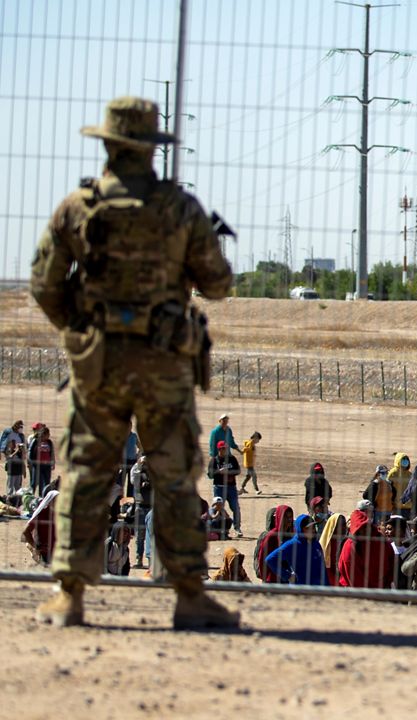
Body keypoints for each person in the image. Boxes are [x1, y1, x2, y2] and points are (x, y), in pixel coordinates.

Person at [29, 97, 239, 628]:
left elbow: (44, 284)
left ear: (107, 144)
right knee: (173, 476)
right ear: (152, 149)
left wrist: (81, 329)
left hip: (98, 362)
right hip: (164, 363)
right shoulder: (180, 208)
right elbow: (217, 283)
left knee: (86, 472)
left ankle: (70, 594)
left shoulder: (78, 207)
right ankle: (189, 593)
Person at [338, 505, 394, 589]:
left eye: (366, 527)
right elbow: (353, 578)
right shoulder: (349, 546)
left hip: (382, 589)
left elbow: (391, 560)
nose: (364, 531)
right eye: (360, 528)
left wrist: (387, 582)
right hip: (357, 592)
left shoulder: (380, 539)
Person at [265, 514, 328, 586]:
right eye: (308, 528)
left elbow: (322, 567)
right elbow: (270, 559)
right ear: (300, 529)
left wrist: (327, 586)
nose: (312, 530)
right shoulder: (292, 544)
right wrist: (287, 575)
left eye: (313, 527)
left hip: (317, 589)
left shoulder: (316, 544)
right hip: (299, 590)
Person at [206, 441, 242, 537]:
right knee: (218, 508)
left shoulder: (232, 459)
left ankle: (237, 528)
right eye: (221, 449)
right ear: (218, 449)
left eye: (225, 448)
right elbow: (210, 475)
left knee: (236, 508)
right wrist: (219, 471)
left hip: (231, 488)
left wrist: (229, 472)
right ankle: (216, 528)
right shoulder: (214, 460)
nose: (223, 450)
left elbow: (238, 470)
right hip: (219, 487)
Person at [254, 505, 294, 583]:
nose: (289, 520)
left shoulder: (291, 535)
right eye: (286, 517)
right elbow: (262, 560)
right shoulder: (271, 536)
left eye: (290, 517)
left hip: (288, 579)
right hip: (272, 580)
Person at [318, 513, 348, 586]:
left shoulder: (346, 541)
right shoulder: (327, 545)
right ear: (334, 527)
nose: (345, 527)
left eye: (345, 524)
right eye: (341, 525)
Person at [27, 424, 55, 496]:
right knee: (34, 482)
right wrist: (30, 462)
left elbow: (52, 453)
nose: (49, 435)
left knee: (46, 482)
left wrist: (53, 462)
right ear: (44, 434)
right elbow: (30, 452)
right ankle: (30, 497)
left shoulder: (49, 442)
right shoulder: (35, 441)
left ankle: (42, 497)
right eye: (48, 434)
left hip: (47, 466)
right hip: (37, 465)